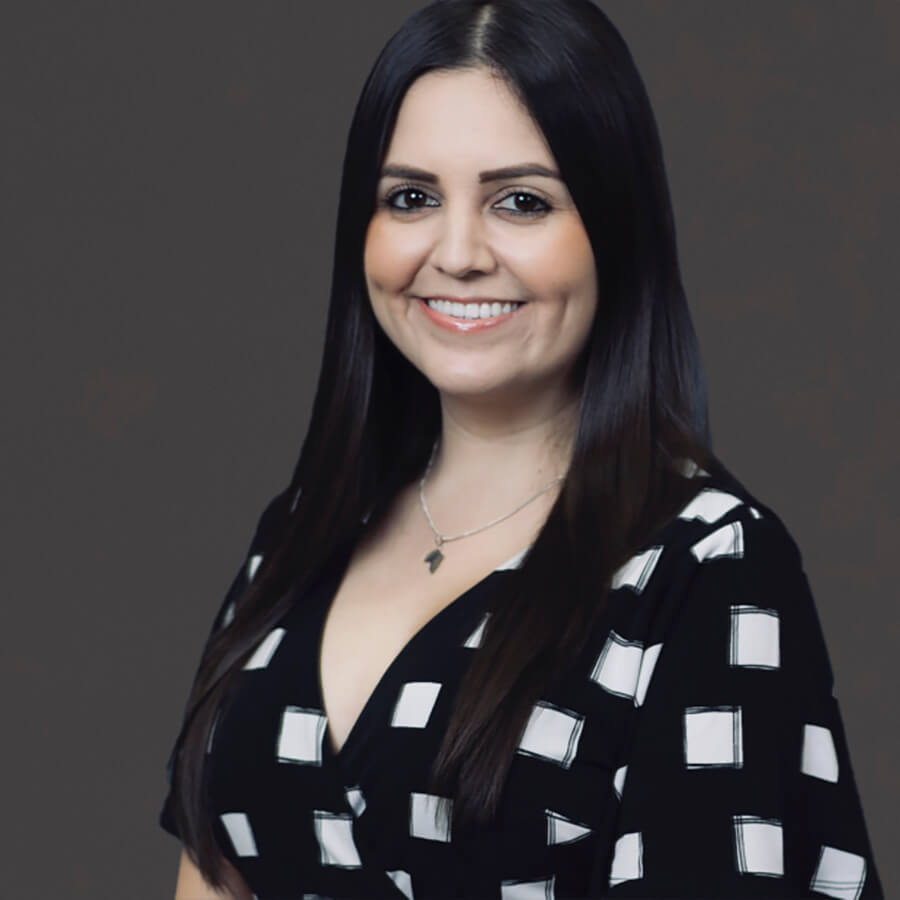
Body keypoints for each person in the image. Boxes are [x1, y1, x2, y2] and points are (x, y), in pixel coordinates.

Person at [159, 1, 882, 897]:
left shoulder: (705, 569)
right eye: (411, 198)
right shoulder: (304, 532)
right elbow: (212, 872)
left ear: (611, 231)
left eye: (522, 201)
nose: (457, 253)